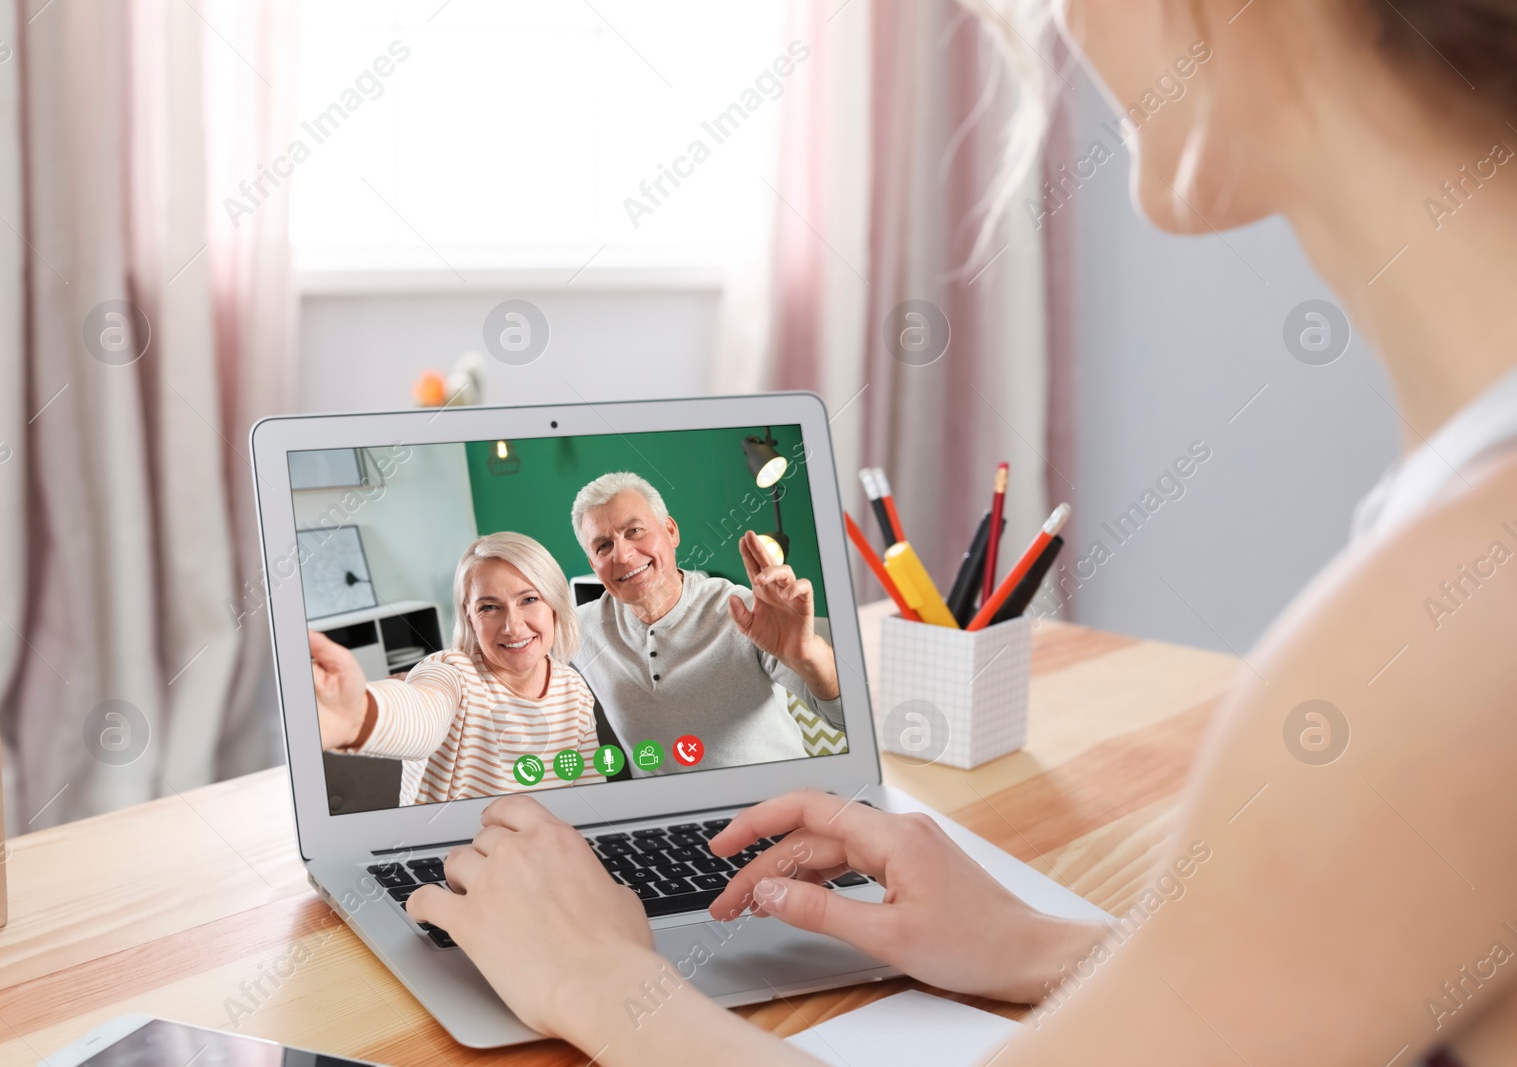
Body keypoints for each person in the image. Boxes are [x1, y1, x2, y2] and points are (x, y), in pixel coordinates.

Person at [402, 1, 1517, 1063]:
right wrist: (1038, 945)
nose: (1068, 32)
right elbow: (1341, 972)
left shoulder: (1451, 641)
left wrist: (603, 983)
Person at [567, 470, 843, 773]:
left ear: (671, 532)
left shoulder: (744, 610)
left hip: (779, 803)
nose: (622, 554)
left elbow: (843, 718)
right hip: (673, 815)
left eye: (634, 531)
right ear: (594, 565)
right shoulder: (579, 628)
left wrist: (810, 653)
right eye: (603, 546)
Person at [309, 532, 604, 801]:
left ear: (554, 603)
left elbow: (591, 797)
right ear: (469, 617)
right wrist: (358, 715)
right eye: (489, 607)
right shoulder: (453, 672)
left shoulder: (573, 690)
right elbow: (423, 713)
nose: (513, 626)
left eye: (529, 599)